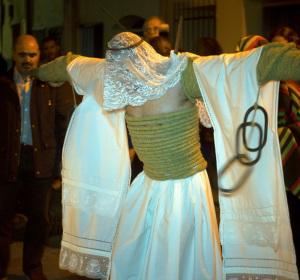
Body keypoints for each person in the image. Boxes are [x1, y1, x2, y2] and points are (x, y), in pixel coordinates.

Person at [34, 32, 300, 279]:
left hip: (182, 188)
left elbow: (67, 66)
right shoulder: (123, 76)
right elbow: (257, 63)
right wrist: (43, 72)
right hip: (158, 187)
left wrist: (43, 73)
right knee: (149, 258)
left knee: (172, 258)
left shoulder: (166, 74)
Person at [0, 34, 74, 280]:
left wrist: (61, 165)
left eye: (32, 55)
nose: (27, 60)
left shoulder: (50, 86)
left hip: (40, 162)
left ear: (39, 56)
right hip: (7, 161)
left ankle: (32, 267)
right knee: (2, 220)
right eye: (22, 54)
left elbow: (63, 126)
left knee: (39, 220)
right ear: (14, 55)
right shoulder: (3, 85)